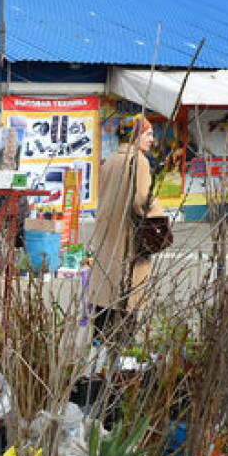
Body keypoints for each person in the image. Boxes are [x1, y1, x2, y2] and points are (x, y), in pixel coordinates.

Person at [87, 116, 165, 321]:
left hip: (107, 237)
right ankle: (122, 353)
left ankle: (98, 351)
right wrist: (160, 214)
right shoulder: (138, 161)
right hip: (128, 240)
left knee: (104, 304)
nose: (151, 140)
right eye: (148, 134)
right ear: (135, 136)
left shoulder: (111, 160)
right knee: (126, 303)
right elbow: (141, 202)